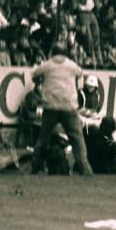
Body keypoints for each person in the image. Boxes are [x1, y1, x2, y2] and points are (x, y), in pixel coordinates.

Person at [30, 42, 94, 176]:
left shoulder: (47, 65)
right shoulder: (72, 65)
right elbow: (80, 74)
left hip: (51, 106)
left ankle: (36, 166)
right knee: (77, 138)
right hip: (69, 106)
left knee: (43, 137)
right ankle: (85, 168)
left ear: (52, 52)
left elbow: (34, 75)